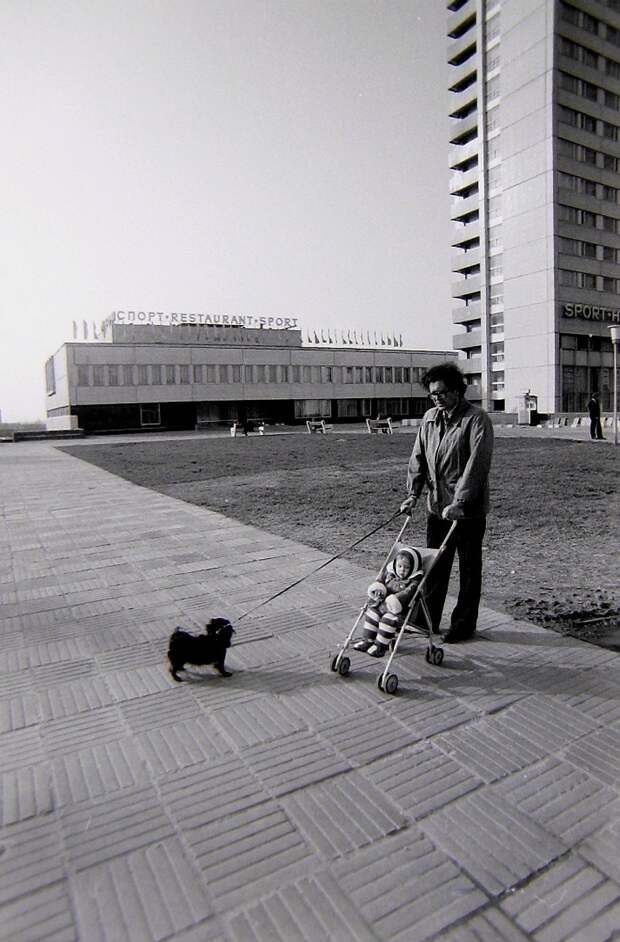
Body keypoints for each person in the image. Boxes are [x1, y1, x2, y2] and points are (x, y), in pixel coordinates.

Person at [400, 362, 494, 643]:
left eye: (441, 393)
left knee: (468, 568)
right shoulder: (430, 418)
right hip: (436, 506)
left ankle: (463, 625)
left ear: (456, 390)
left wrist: (460, 501)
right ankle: (425, 620)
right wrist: (413, 494)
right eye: (432, 395)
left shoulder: (476, 419)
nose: (436, 399)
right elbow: (418, 458)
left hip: (466, 511)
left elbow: (477, 465)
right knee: (433, 565)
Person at [354, 548, 423, 656]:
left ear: (413, 568)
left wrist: (395, 600)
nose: (402, 570)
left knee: (387, 620)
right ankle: (368, 640)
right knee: (372, 613)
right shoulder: (390, 574)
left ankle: (380, 646)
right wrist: (378, 589)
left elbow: (407, 593)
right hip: (382, 606)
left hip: (400, 611)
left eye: (407, 567)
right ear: (395, 565)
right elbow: (380, 581)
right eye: (399, 566)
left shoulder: (413, 581)